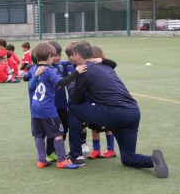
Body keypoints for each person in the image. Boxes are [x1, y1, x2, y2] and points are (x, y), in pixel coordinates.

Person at [67, 41, 168, 178]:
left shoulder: (83, 70)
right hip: (133, 112)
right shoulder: (106, 66)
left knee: (73, 109)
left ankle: (76, 155)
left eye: (74, 55)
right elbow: (112, 64)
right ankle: (153, 160)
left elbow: (76, 99)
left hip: (114, 113)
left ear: (78, 56)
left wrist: (70, 85)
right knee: (127, 157)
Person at [28, 41, 87, 169]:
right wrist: (76, 72)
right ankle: (62, 161)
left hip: (35, 109)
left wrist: (35, 76)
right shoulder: (48, 71)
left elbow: (31, 86)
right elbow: (61, 83)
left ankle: (41, 160)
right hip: (48, 110)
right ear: (49, 57)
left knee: (39, 135)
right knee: (58, 133)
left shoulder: (34, 69)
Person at [87, 45, 117, 159]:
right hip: (93, 103)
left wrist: (102, 60)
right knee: (94, 127)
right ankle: (96, 150)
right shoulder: (89, 68)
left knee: (108, 127)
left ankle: (111, 149)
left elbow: (114, 64)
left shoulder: (106, 67)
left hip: (105, 102)